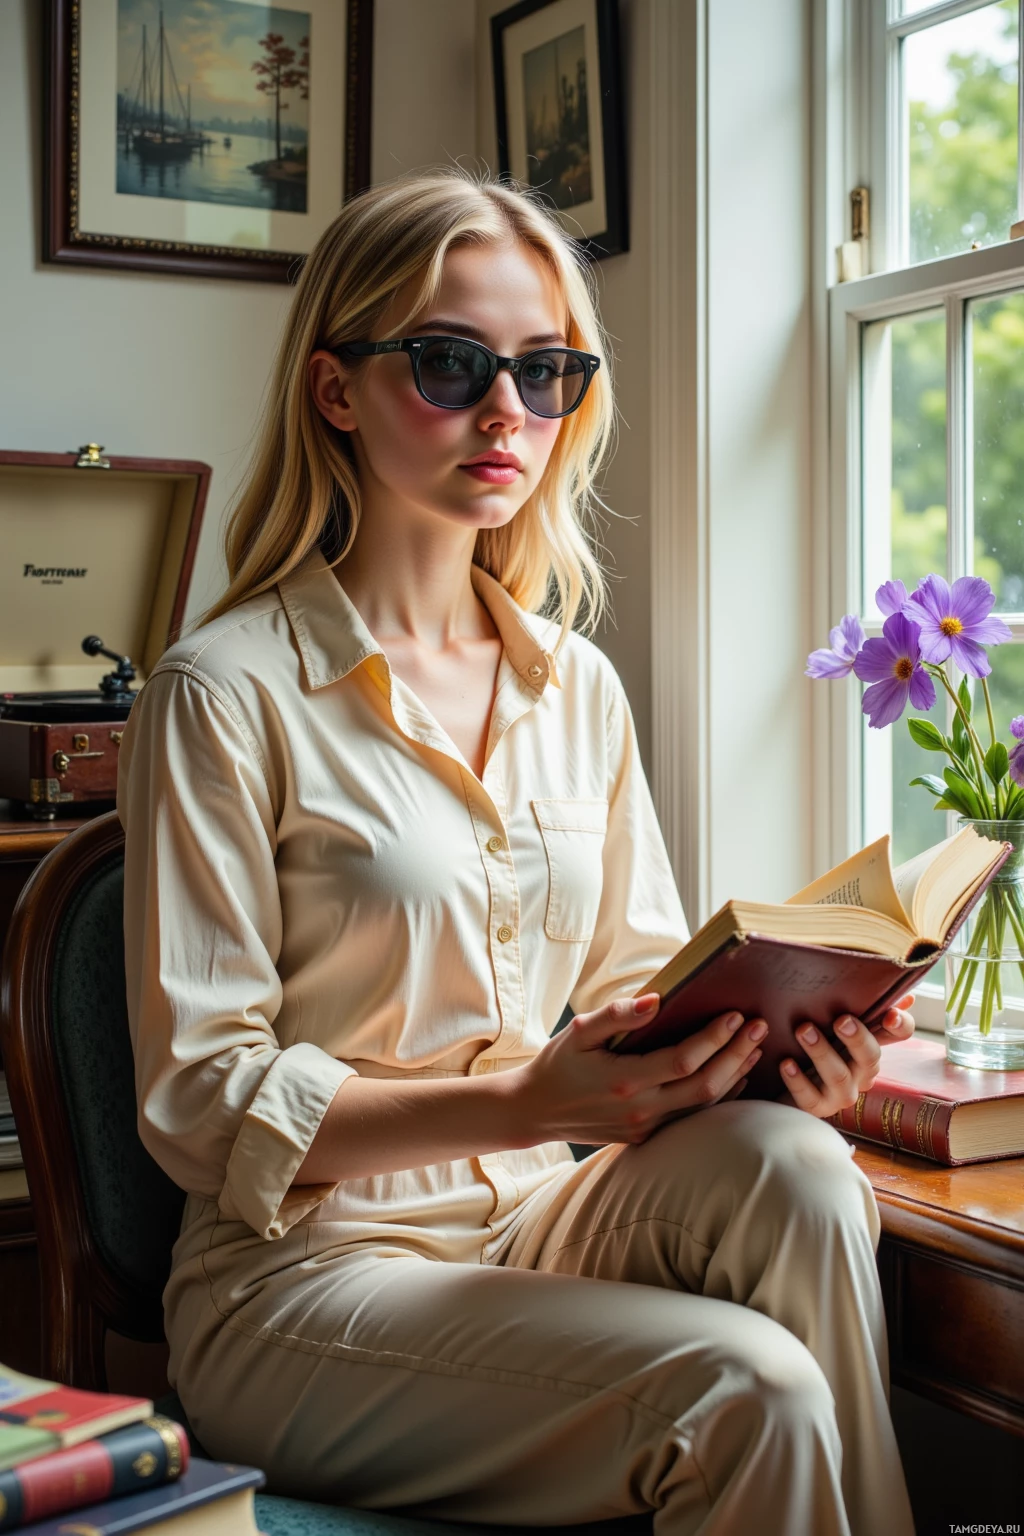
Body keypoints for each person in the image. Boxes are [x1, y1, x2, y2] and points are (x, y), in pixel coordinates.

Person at [117, 166, 917, 1536]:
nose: (508, 412)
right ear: (335, 389)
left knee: (800, 1172)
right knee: (748, 1391)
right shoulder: (222, 691)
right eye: (450, 362)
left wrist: (780, 1059)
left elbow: (640, 988)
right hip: (304, 1282)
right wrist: (524, 1107)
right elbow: (201, 1103)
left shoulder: (577, 688)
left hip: (539, 1213)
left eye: (545, 373)